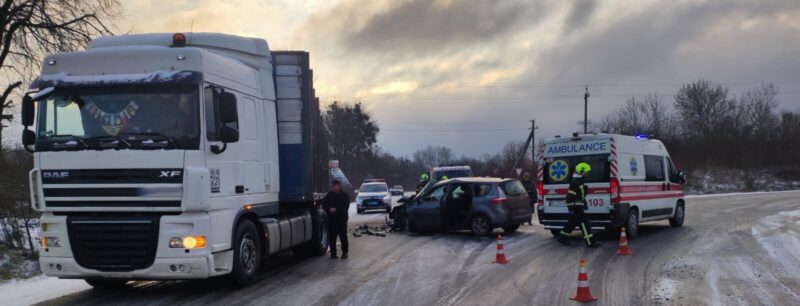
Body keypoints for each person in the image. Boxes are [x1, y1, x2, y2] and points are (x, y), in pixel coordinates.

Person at [557, 162, 598, 247]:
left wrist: (584, 202)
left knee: (571, 223)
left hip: (578, 207)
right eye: (587, 172)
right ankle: (590, 242)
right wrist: (571, 208)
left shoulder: (579, 181)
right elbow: (569, 197)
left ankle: (562, 238)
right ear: (582, 172)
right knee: (584, 224)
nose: (588, 174)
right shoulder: (576, 183)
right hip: (576, 208)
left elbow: (580, 196)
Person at [323, 180, 350, 259]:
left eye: (335, 186)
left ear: (339, 186)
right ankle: (333, 253)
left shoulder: (344, 195)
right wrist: (328, 209)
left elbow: (346, 207)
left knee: (343, 236)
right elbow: (324, 205)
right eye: (332, 186)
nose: (333, 187)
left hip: (342, 219)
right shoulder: (329, 195)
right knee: (332, 236)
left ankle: (345, 252)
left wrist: (336, 209)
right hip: (332, 219)